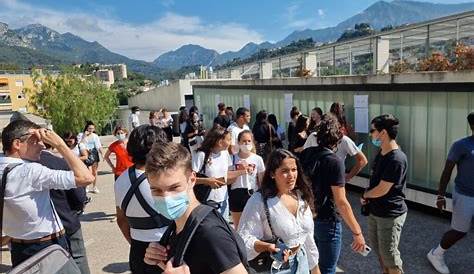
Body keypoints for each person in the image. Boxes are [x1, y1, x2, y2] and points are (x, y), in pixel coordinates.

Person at [143, 141, 248, 274]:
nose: (166, 197)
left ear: (192, 180)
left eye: (174, 187)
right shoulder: (179, 226)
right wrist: (159, 261)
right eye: (156, 190)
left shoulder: (210, 233)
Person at [0, 119, 94, 266]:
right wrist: (60, 144)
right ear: (17, 144)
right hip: (47, 247)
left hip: (18, 249)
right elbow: (86, 177)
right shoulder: (30, 171)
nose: (43, 145)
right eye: (36, 140)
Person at [300, 115, 365, 274]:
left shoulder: (306, 154)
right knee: (327, 268)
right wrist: (357, 232)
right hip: (328, 219)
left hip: (306, 217)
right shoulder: (334, 161)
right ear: (337, 138)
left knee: (311, 265)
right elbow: (341, 202)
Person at [238, 149, 321, 274]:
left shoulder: (301, 196)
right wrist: (267, 247)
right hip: (275, 267)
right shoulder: (259, 200)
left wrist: (315, 269)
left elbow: (308, 239)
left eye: (294, 170)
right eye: (285, 171)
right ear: (272, 174)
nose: (291, 175)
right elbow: (244, 238)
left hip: (302, 262)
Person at [114, 125, 171, 274]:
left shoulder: (121, 180)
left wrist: (135, 243)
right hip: (165, 249)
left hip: (138, 250)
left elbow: (121, 220)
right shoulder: (162, 178)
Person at [427, 112, 474, 274]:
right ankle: (436, 254)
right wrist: (440, 195)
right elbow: (447, 171)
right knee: (459, 231)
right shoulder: (461, 145)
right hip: (465, 195)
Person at [361, 114, 407, 274]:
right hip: (376, 211)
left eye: (372, 130)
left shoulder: (396, 159)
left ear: (383, 133)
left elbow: (383, 188)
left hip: (390, 214)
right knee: (379, 250)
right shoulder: (382, 153)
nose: (370, 134)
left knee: (390, 255)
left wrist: (366, 195)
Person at [39, 148, 91, 274]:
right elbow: (79, 197)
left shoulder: (16, 165)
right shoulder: (59, 162)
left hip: (36, 230)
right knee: (77, 257)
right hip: (66, 220)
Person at [192, 126, 248, 220]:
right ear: (219, 141)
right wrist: (207, 181)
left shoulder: (225, 153)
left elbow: (226, 174)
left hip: (223, 200)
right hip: (207, 201)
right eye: (229, 140)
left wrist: (242, 171)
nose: (230, 143)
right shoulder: (201, 155)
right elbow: (190, 179)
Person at [303, 126, 368, 183]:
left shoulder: (344, 140)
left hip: (334, 180)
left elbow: (362, 160)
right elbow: (305, 155)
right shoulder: (314, 136)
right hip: (314, 179)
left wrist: (347, 177)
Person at [229, 130, 265, 228]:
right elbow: (228, 179)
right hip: (236, 193)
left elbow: (261, 180)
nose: (246, 143)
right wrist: (239, 171)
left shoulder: (258, 159)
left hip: (252, 193)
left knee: (253, 225)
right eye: (244, 141)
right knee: (238, 226)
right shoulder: (232, 158)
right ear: (239, 142)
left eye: (249, 141)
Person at [80, 121, 103, 194]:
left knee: (94, 171)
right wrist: (84, 136)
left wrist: (102, 154)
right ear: (86, 128)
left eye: (92, 128)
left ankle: (94, 186)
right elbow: (80, 143)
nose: (91, 130)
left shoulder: (95, 136)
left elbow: (99, 146)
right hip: (85, 153)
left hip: (94, 153)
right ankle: (87, 186)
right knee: (88, 171)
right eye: (89, 128)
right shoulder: (81, 135)